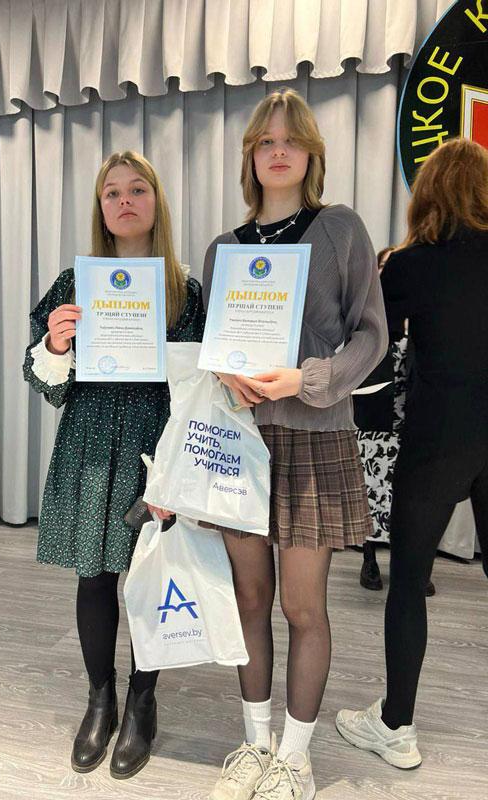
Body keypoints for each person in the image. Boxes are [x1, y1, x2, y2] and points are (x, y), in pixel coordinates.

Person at [202, 89, 388, 800]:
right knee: (249, 600)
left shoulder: (340, 229)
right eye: (265, 141)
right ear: (250, 155)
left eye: (292, 140)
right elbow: (216, 343)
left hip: (313, 439)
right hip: (240, 445)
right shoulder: (225, 249)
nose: (278, 151)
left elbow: (372, 335)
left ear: (311, 153)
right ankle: (255, 746)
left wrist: (309, 379)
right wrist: (225, 369)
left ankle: (296, 759)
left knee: (302, 608)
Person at [23, 151, 205, 779]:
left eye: (137, 189)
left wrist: (179, 469)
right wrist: (55, 343)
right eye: (111, 193)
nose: (124, 200)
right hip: (91, 444)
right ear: (100, 209)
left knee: (150, 578)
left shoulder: (186, 291)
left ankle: (142, 701)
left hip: (157, 448)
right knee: (94, 575)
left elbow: (200, 388)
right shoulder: (74, 286)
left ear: (157, 201)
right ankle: (99, 698)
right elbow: (43, 381)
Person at [336, 137, 488, 769]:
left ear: (426, 194)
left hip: (438, 439)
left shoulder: (410, 265)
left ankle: (396, 726)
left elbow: (365, 342)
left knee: (406, 583)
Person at [353, 248, 436, 596]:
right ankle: (369, 559)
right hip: (376, 418)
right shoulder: (369, 315)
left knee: (413, 497)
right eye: (384, 265)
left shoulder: (423, 308)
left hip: (414, 420)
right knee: (373, 491)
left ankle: (413, 567)